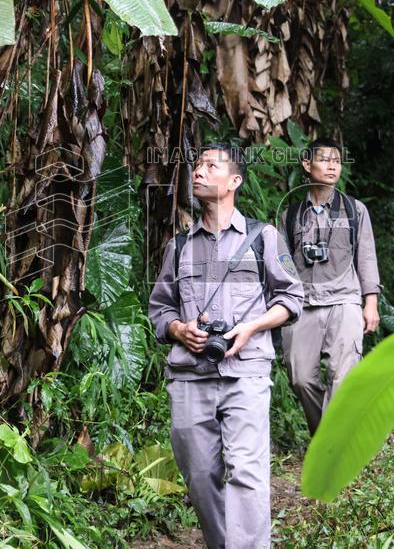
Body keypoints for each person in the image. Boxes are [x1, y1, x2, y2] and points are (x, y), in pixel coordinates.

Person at [148, 142, 304, 549]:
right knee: (199, 475)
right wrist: (180, 329)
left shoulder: (263, 238)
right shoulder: (179, 246)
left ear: (234, 180)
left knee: (247, 472)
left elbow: (291, 298)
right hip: (189, 377)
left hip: (246, 372)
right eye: (197, 166)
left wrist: (252, 327)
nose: (198, 172)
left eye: (210, 166)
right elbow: (159, 310)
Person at [278, 138, 381, 435]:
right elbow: (284, 266)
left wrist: (370, 302)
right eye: (324, 159)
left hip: (345, 300)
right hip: (304, 304)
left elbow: (367, 256)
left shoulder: (354, 210)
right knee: (300, 378)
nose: (332, 165)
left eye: (336, 160)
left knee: (342, 375)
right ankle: (324, 435)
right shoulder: (291, 215)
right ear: (307, 165)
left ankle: (332, 446)